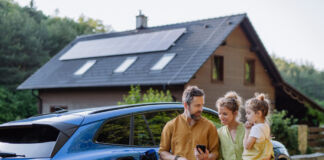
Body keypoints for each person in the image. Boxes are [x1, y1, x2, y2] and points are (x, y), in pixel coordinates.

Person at [159, 86, 219, 160]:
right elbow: (162, 153)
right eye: (197, 105)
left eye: (202, 105)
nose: (201, 109)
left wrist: (206, 158)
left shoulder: (209, 126)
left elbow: (215, 153)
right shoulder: (171, 126)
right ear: (186, 105)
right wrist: (177, 159)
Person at [243, 93, 274, 160]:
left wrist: (247, 130)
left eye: (248, 113)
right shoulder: (265, 125)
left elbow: (247, 146)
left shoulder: (256, 129)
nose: (246, 116)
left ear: (258, 113)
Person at [216, 91, 244, 160]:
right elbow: (219, 157)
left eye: (225, 114)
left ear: (235, 113)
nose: (221, 117)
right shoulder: (219, 133)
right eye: (219, 113)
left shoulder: (246, 130)